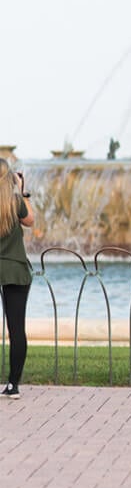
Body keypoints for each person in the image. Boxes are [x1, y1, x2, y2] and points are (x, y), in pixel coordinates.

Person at [0, 160, 34, 400]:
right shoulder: (16, 202)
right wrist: (22, 190)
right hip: (15, 270)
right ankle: (13, 385)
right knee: (16, 329)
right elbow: (31, 221)